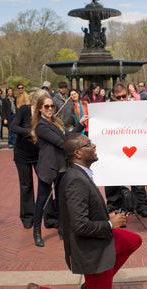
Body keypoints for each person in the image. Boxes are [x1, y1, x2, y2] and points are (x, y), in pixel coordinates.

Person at [26, 133, 142, 289]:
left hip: (99, 240)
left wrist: (107, 217)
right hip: (91, 250)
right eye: (89, 144)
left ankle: (92, 285)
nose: (94, 145)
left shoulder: (80, 173)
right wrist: (109, 224)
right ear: (78, 153)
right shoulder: (75, 180)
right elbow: (80, 225)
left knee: (133, 240)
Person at [31, 95, 89, 247]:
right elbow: (61, 142)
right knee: (42, 200)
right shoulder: (41, 126)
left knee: (62, 199)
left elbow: (66, 136)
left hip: (61, 166)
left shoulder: (55, 122)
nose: (50, 109)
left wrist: (80, 125)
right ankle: (36, 232)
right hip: (48, 167)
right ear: (40, 109)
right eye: (46, 106)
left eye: (51, 106)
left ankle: (63, 229)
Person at [104, 83, 147, 218]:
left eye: (124, 96)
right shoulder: (106, 110)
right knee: (112, 176)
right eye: (118, 97)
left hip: (134, 146)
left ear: (128, 95)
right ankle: (113, 204)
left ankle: (141, 205)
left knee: (137, 176)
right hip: (114, 147)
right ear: (113, 96)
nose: (121, 99)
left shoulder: (137, 108)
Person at [9, 90, 48, 229]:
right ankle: (27, 217)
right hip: (22, 154)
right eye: (43, 103)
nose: (47, 107)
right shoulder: (24, 110)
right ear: (34, 102)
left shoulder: (44, 113)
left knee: (45, 183)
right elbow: (13, 127)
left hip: (39, 154)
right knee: (26, 186)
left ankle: (49, 217)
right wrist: (29, 131)